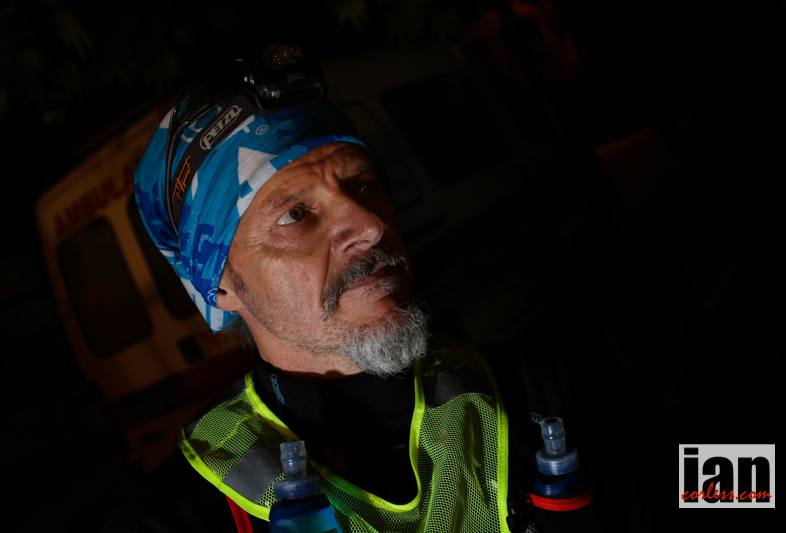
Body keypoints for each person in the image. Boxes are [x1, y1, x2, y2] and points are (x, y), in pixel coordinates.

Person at [104, 43, 600, 532]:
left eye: (364, 184)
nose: (369, 224)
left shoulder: (535, 393)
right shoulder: (173, 520)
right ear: (221, 288)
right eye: (294, 214)